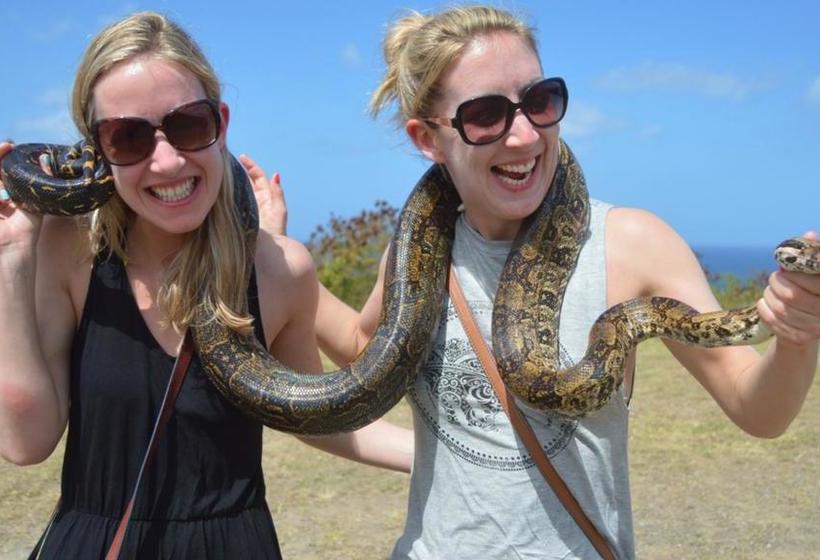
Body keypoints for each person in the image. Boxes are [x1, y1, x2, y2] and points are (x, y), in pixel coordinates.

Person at [258, 5, 819, 559]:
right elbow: (367, 358)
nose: (524, 136)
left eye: (540, 101)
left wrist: (795, 331)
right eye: (485, 115)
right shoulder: (418, 254)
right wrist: (280, 259)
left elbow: (759, 411)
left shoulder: (630, 244)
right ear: (428, 140)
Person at [0, 12, 411, 559]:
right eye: (128, 137)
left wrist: (458, 453)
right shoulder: (69, 252)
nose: (166, 161)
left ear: (221, 121)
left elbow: (312, 414)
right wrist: (11, 258)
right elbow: (26, 443)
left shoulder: (280, 269)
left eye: (189, 125)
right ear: (97, 152)